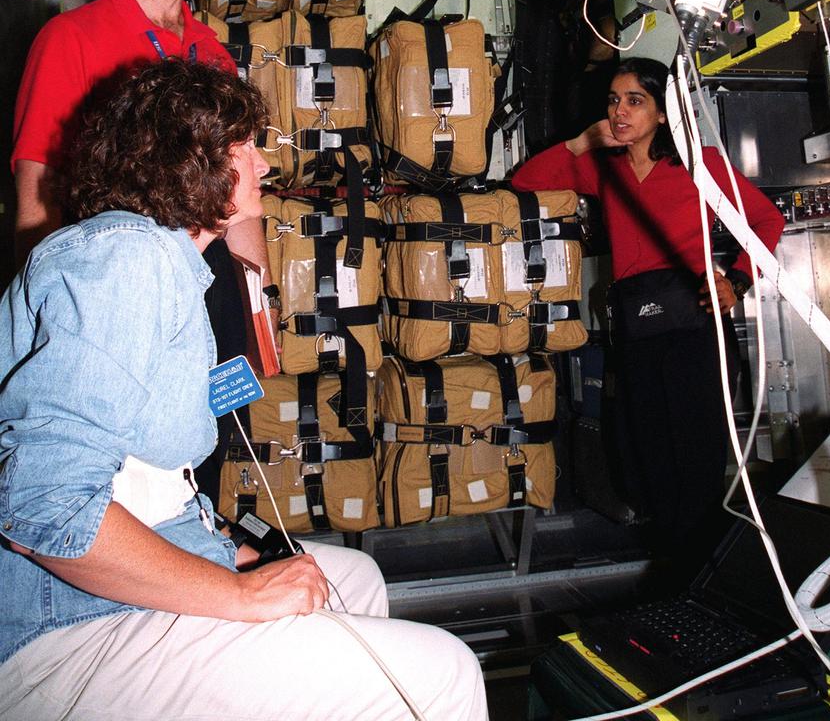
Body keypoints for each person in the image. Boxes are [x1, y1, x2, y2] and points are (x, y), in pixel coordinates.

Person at [0, 59, 488, 721]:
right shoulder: (125, 261)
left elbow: (137, 479)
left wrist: (226, 551)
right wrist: (238, 595)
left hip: (96, 599)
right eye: (246, 148)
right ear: (189, 162)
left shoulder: (165, 263)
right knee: (445, 673)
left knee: (351, 578)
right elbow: (43, 507)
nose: (263, 166)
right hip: (55, 637)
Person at [11, 0, 269, 500]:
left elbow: (240, 201)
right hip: (115, 301)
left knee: (203, 450)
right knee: (119, 469)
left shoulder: (212, 54)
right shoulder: (71, 38)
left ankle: (202, 562)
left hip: (209, 293)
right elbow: (34, 187)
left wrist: (257, 308)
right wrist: (41, 317)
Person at [512, 56, 785, 577]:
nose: (619, 111)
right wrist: (582, 142)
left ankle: (699, 576)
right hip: (637, 328)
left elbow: (766, 219)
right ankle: (679, 567)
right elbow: (525, 184)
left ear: (663, 112)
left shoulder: (698, 164)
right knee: (644, 458)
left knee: (696, 456)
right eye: (614, 101)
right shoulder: (603, 167)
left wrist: (740, 279)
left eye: (635, 101)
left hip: (694, 326)